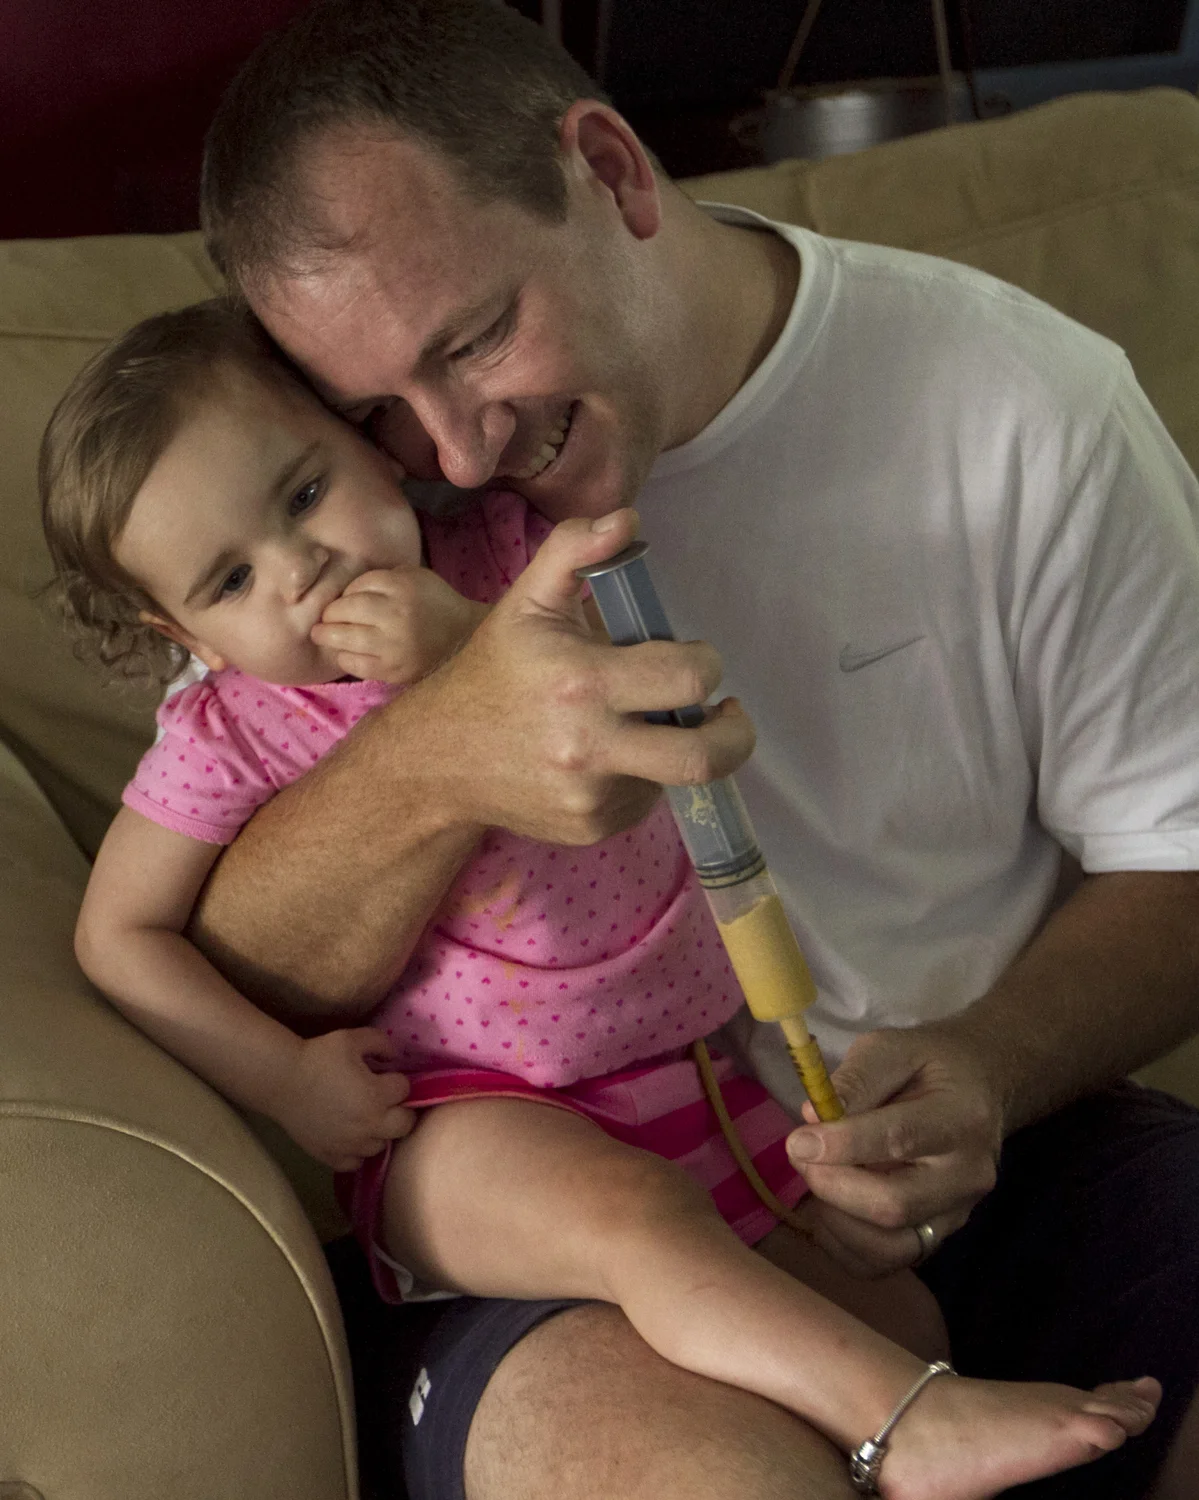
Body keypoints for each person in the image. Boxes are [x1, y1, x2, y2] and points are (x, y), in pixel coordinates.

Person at [188, 1, 1199, 1497]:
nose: (458, 457)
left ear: (609, 170)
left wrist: (985, 1070)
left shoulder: (1012, 407)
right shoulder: (325, 518)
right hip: (563, 1212)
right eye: (374, 409)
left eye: (474, 341)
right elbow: (236, 978)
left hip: (985, 1149)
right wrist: (434, 764)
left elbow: (1176, 855)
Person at [41, 299, 1162, 1500]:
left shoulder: (510, 559)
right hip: (464, 1119)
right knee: (635, 1220)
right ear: (185, 634)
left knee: (890, 1304)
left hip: (694, 1072)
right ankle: (910, 1425)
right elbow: (120, 936)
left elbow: (629, 704)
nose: (300, 568)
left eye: (304, 493)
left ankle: (911, 1406)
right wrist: (281, 1078)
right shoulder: (231, 731)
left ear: (373, 444)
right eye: (231, 577)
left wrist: (469, 642)